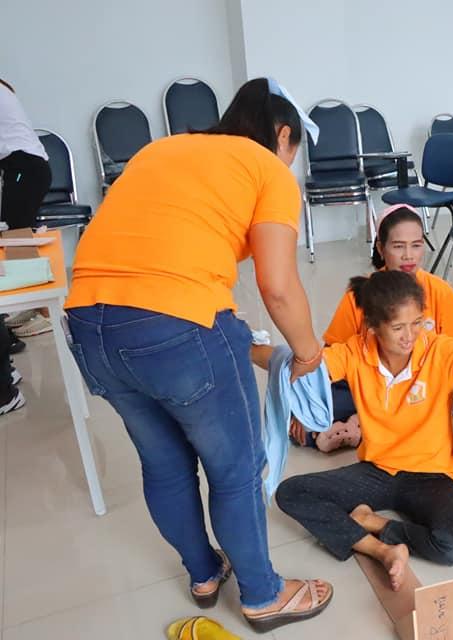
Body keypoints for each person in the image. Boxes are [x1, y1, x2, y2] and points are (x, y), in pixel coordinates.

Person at [64, 78, 333, 633]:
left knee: (163, 463)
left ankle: (205, 573)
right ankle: (262, 595)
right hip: (176, 328)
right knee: (235, 470)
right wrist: (309, 352)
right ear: (283, 135)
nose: (291, 161)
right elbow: (278, 286)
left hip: (89, 326)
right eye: (293, 150)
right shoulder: (267, 168)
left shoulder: (160, 150)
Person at [267, 270, 453, 591]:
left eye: (417, 323)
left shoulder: (439, 350)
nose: (410, 336)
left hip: (432, 474)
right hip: (378, 471)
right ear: (373, 326)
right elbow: (306, 366)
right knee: (291, 492)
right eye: (398, 328)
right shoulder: (355, 352)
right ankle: (380, 551)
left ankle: (371, 522)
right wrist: (248, 348)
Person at [290, 203, 453, 452]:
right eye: (398, 246)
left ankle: (362, 428)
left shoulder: (441, 292)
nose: (409, 255)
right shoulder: (361, 293)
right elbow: (332, 354)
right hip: (368, 389)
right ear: (380, 248)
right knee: (298, 420)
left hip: (424, 391)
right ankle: (367, 427)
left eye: (416, 245)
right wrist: (305, 403)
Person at [0, 78, 53, 351]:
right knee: (18, 238)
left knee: (17, 238)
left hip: (24, 167)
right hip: (28, 167)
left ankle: (45, 314)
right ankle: (32, 307)